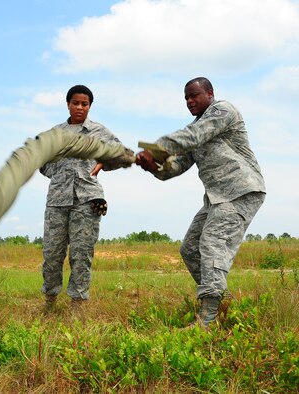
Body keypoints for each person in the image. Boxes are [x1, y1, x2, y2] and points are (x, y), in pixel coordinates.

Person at [136, 77, 266, 328]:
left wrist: (158, 147)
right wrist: (154, 166)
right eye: (186, 98)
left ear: (210, 93)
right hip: (216, 198)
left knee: (212, 243)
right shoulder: (194, 131)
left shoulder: (222, 111)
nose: (189, 101)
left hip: (240, 190)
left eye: (194, 95)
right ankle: (222, 301)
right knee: (190, 248)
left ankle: (209, 317)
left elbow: (194, 135)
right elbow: (175, 167)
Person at [40, 84, 134, 309]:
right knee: (52, 254)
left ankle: (77, 307)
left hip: (87, 199)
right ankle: (49, 302)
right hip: (57, 201)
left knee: (81, 256)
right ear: (68, 104)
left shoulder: (99, 132)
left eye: (85, 104)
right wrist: (57, 173)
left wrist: (103, 163)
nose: (80, 107)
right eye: (75, 103)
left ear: (90, 106)